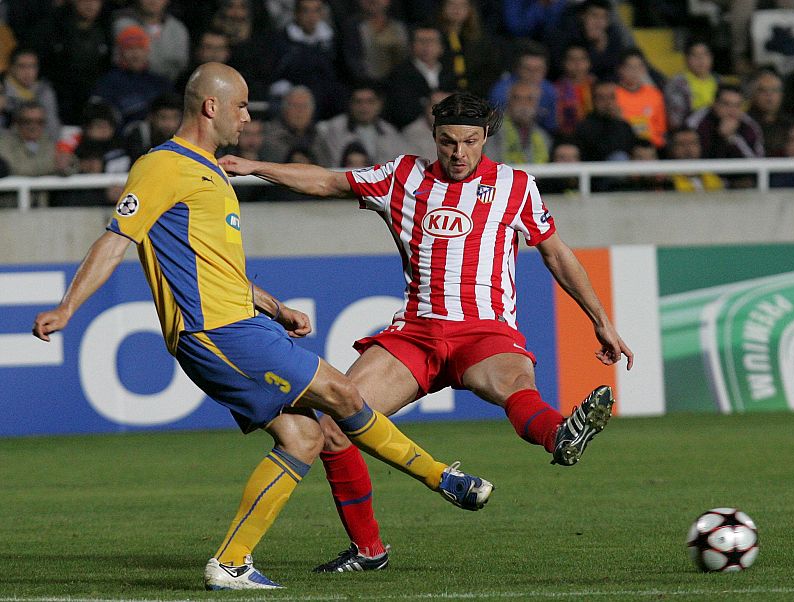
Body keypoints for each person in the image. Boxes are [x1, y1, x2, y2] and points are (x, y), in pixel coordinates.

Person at [31, 63, 493, 591]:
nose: (248, 116)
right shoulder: (164, 166)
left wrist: (273, 307)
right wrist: (68, 308)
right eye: (242, 106)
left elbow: (213, 266)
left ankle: (231, 562)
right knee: (341, 392)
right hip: (216, 330)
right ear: (211, 107)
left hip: (242, 321)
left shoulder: (208, 172)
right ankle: (444, 478)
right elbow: (116, 238)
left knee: (302, 437)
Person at [219, 91, 634, 572]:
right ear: (434, 137)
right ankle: (369, 551)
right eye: (448, 142)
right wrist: (253, 166)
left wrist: (602, 321)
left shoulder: (516, 186)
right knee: (331, 424)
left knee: (516, 387)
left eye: (470, 142)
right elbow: (328, 181)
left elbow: (556, 253)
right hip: (415, 334)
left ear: (486, 140)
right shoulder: (402, 176)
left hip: (485, 331)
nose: (458, 153)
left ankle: (560, 435)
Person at [484, 80, 551, 164]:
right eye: (517, 98)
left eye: (529, 99)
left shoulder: (543, 136)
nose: (523, 104)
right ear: (508, 102)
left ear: (536, 103)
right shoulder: (493, 132)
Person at [614, 48, 667, 150]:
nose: (634, 71)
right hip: (625, 147)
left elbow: (661, 129)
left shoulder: (655, 94)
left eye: (639, 67)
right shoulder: (613, 94)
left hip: (652, 147)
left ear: (644, 69)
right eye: (630, 67)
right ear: (620, 69)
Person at [663, 39, 719, 131]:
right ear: (686, 58)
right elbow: (676, 121)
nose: (701, 60)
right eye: (695, 55)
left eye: (705, 54)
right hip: (690, 132)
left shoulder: (718, 81)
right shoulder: (677, 84)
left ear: (711, 57)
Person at [666, 127, 724, 192]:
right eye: (682, 144)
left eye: (693, 143)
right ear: (672, 149)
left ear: (700, 147)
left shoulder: (713, 176)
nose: (688, 149)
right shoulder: (667, 181)